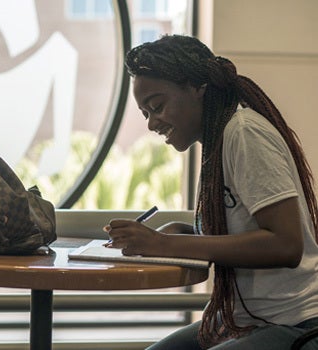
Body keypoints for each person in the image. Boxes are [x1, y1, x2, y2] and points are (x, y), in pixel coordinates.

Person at [104, 34, 318, 349]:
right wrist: (185, 232)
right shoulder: (217, 140)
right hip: (244, 318)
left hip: (294, 322)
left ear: (196, 87)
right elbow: (243, 231)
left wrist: (164, 243)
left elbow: (286, 245)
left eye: (157, 106)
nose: (151, 124)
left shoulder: (243, 133)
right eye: (145, 113)